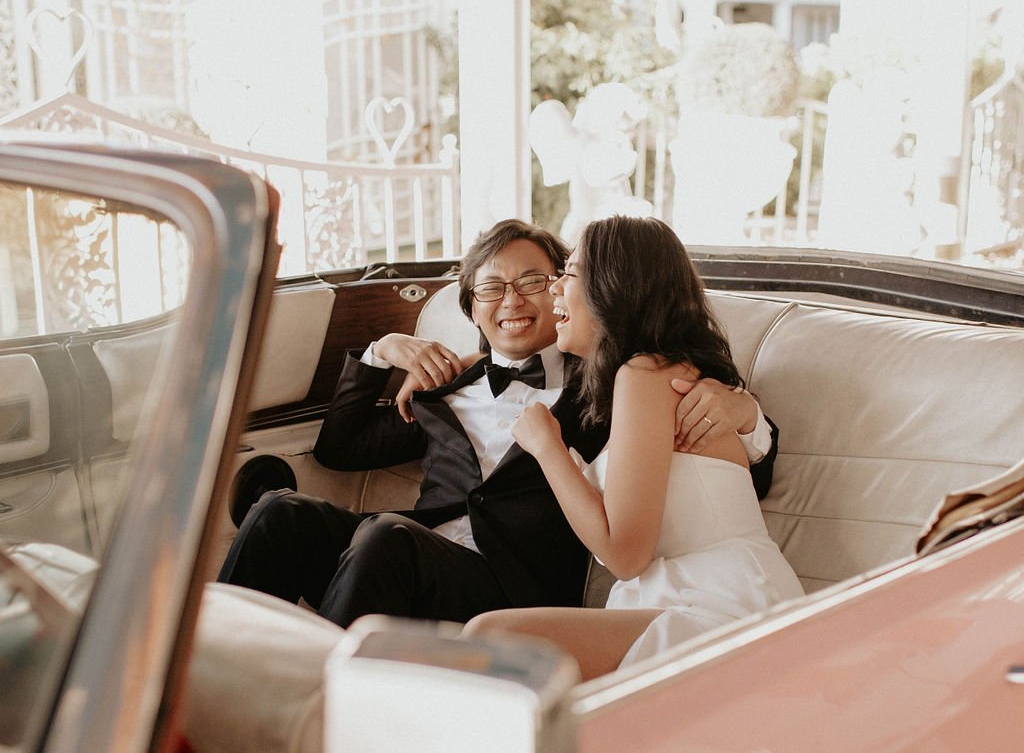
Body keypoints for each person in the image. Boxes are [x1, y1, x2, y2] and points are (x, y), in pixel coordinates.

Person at [218, 218, 775, 628]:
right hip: (407, 555)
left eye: (534, 281)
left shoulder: (607, 382)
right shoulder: (443, 390)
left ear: (568, 290)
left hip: (513, 584)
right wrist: (380, 352)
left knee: (386, 538)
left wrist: (746, 413)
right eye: (491, 287)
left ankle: (309, 710)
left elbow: (719, 478)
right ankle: (202, 681)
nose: (513, 300)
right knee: (278, 513)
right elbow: (338, 450)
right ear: (472, 308)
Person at [464, 216, 803, 680]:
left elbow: (624, 556)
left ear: (613, 287)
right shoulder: (633, 380)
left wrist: (548, 449)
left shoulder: (648, 376)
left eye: (570, 273)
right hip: (672, 598)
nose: (555, 288)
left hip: (718, 603)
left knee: (490, 638)